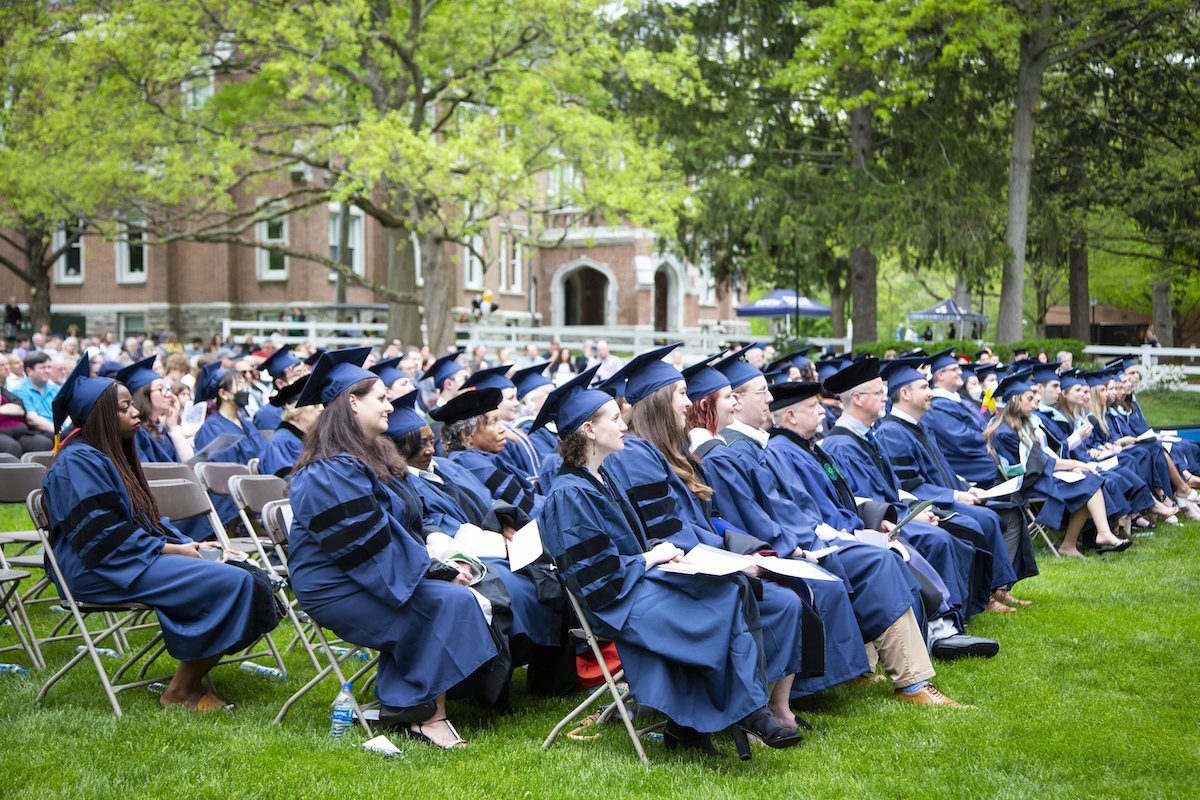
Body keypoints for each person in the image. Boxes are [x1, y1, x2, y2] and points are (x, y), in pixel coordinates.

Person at [535, 367, 803, 756]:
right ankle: (741, 713)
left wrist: (664, 557)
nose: (623, 423)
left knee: (727, 588)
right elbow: (597, 578)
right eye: (614, 418)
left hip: (633, 586)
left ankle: (709, 721)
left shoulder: (599, 479)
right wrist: (652, 557)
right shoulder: (569, 494)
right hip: (612, 604)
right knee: (715, 603)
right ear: (589, 432)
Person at [689, 349, 969, 705]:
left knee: (878, 557)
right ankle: (910, 682)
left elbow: (794, 507)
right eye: (761, 392)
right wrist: (804, 544)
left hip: (804, 540)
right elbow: (756, 518)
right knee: (876, 562)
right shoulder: (728, 453)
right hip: (781, 551)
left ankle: (881, 670)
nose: (770, 398)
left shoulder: (757, 448)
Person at [287, 348, 501, 748]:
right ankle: (424, 715)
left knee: (454, 595)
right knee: (448, 602)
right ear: (352, 402)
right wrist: (432, 571)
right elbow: (363, 544)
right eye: (381, 398)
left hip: (375, 571)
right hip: (337, 583)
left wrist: (438, 565)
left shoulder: (367, 458)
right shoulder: (327, 471)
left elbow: (392, 534)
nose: (390, 405)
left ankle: (409, 705)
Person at [43, 357, 278, 711]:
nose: (136, 412)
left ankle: (188, 677)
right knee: (231, 582)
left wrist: (186, 543)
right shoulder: (76, 463)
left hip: (128, 558)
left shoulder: (107, 454)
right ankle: (181, 691)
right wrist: (170, 551)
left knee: (241, 571)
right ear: (101, 417)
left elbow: (141, 519)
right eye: (124, 408)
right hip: (96, 569)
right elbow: (102, 539)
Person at [598, 346, 813, 726]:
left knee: (784, 598)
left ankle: (770, 708)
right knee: (775, 601)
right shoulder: (634, 455)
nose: (688, 403)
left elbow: (702, 520)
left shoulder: (670, 451)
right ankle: (751, 710)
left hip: (694, 560)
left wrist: (745, 551)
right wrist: (734, 560)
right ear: (660, 402)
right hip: (670, 572)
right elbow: (665, 530)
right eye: (681, 394)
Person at [384, 391, 574, 697]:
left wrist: (507, 523)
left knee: (544, 573)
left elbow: (490, 503)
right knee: (514, 584)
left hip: (492, 544)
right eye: (423, 445)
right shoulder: (403, 485)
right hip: (464, 553)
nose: (432, 450)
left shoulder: (448, 469)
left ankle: (551, 678)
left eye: (431, 440)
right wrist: (500, 542)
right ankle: (491, 680)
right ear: (399, 450)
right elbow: (436, 527)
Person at [874, 357, 1036, 608]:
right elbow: (910, 485)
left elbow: (945, 470)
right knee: (985, 519)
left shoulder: (919, 427)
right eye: (924, 388)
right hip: (925, 505)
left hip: (944, 496)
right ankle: (986, 597)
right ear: (905, 394)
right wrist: (955, 496)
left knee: (1007, 510)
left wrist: (966, 487)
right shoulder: (892, 432)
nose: (930, 393)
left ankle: (997, 589)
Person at [985, 374, 1130, 557]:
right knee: (1088, 482)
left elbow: (1044, 459)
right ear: (1015, 400)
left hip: (1040, 476)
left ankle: (1083, 540)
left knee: (1089, 482)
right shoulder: (1005, 433)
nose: (1034, 402)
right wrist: (1077, 464)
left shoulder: (1021, 424)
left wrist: (1074, 467)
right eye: (1029, 398)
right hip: (1026, 484)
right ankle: (1087, 538)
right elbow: (1040, 463)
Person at [435, 389, 542, 518]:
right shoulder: (471, 463)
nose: (502, 429)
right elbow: (526, 506)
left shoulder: (473, 458)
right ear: (467, 436)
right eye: (493, 422)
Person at [192, 361, 265, 529]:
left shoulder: (246, 424)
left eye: (244, 384)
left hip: (256, 496)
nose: (245, 390)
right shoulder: (211, 428)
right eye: (239, 385)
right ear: (223, 393)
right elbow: (222, 475)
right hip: (233, 509)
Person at [462, 364, 541, 486]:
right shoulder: (497, 441)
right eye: (510, 398)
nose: (516, 403)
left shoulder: (513, 431)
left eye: (516, 397)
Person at [118, 355, 195, 464]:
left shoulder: (162, 428)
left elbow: (190, 462)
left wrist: (173, 427)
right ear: (144, 396)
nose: (169, 395)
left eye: (168, 389)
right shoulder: (136, 433)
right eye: (160, 389)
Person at [258, 378, 319, 478]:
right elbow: (285, 484)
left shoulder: (311, 438)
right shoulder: (281, 442)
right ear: (296, 411)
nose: (321, 408)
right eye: (315, 405)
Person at [0, 354, 53, 455]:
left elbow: (19, 408)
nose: (6, 367)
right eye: (1, 365)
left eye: (6, 364)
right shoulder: (19, 388)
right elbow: (28, 416)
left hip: (19, 430)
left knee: (44, 443)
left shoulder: (3, 390)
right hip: (3, 431)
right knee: (12, 447)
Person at [252, 345, 308, 432]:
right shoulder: (268, 415)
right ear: (280, 383)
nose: (305, 377)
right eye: (298, 374)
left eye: (305, 371)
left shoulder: (312, 406)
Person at [12, 352, 59, 434]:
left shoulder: (55, 388)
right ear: (29, 371)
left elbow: (69, 411)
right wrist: (59, 430)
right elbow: (32, 419)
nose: (47, 371)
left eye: (49, 367)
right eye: (42, 368)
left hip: (62, 429)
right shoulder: (20, 390)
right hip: (42, 431)